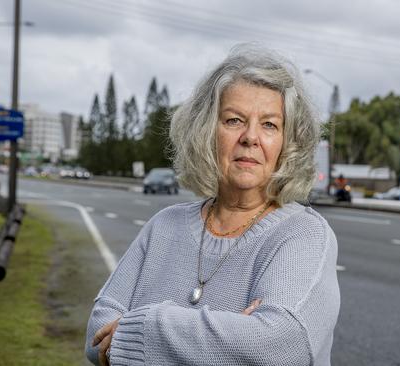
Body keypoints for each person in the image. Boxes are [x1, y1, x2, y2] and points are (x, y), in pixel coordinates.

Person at [85, 44, 340, 366]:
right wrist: (231, 339)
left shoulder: (304, 234)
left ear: (288, 143)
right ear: (206, 132)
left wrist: (142, 330)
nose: (250, 137)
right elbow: (96, 336)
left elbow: (280, 346)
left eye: (270, 125)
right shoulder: (164, 225)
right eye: (234, 120)